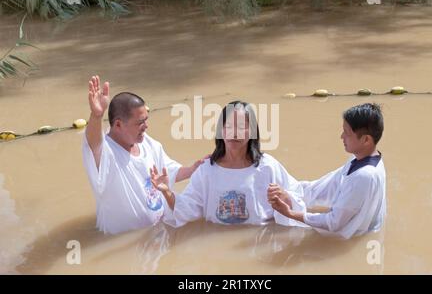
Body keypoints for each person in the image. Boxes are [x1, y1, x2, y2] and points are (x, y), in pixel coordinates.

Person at [150, 101, 308, 228]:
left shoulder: (267, 166)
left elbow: (297, 199)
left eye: (241, 127)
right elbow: (187, 209)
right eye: (229, 126)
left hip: (258, 241)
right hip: (216, 241)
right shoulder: (207, 170)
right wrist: (166, 192)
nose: (235, 133)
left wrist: (285, 196)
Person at [82, 75, 206, 234]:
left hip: (159, 234)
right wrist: (97, 116)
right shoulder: (106, 153)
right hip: (124, 246)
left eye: (146, 120)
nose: (146, 126)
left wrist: (192, 170)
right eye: (140, 122)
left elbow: (168, 171)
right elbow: (93, 144)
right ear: (118, 124)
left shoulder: (148, 143)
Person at [269, 103, 386, 239]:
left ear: (366, 140)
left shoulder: (364, 176)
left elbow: (334, 223)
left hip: (349, 241)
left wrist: (290, 213)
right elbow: (325, 186)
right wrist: (290, 192)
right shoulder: (359, 160)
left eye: (347, 133)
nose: (342, 136)